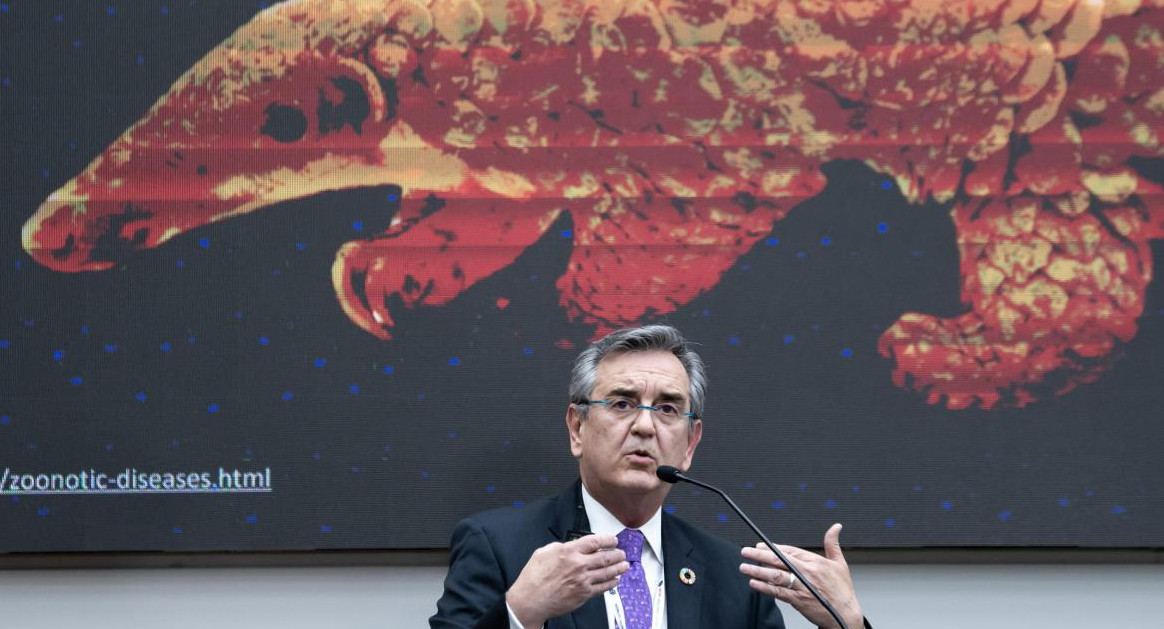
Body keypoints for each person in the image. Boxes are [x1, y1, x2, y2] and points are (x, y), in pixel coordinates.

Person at [431, 325, 868, 629]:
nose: (644, 426)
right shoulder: (498, 546)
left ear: (690, 442)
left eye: (667, 409)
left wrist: (846, 623)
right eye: (622, 404)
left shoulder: (734, 579)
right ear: (577, 428)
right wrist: (519, 613)